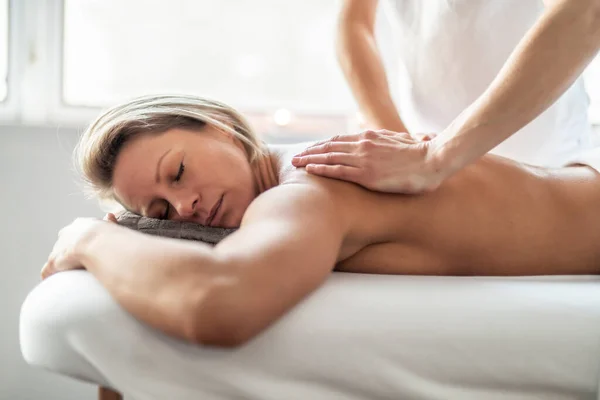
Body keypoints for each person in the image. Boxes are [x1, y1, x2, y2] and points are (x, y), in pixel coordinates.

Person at [42, 94, 600, 348]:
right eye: (160, 211)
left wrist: (85, 238)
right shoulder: (284, 180)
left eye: (179, 171)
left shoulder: (307, 186)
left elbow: (219, 306)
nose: (183, 207)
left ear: (218, 126)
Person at [292, 0, 600, 194]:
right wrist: (396, 137)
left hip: (546, 157)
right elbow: (354, 22)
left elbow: (585, 11)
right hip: (418, 153)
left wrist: (437, 157)